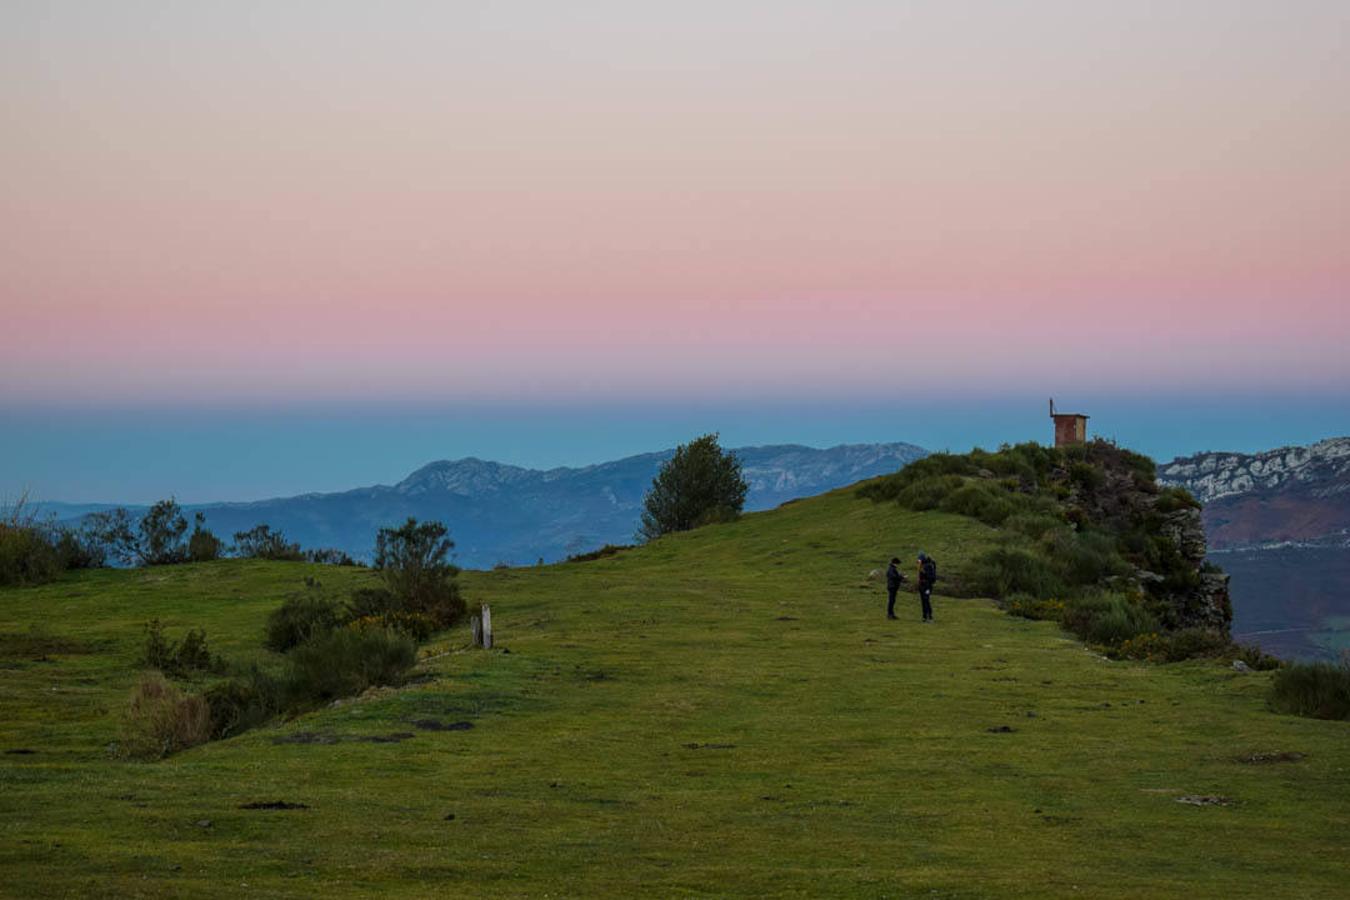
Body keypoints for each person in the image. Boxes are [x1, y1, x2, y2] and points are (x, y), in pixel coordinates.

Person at [917, 551, 937, 622]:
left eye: (919, 559)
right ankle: (924, 616)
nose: (918, 561)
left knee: (926, 600)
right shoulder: (921, 566)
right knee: (923, 601)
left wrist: (924, 572)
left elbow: (930, 577)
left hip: (927, 586)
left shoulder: (928, 566)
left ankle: (930, 616)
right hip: (922, 586)